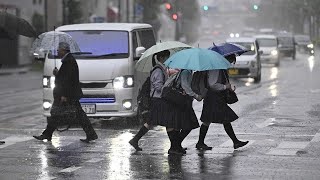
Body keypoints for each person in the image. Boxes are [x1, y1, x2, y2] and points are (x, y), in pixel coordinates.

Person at [33, 42, 98, 143]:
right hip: (69, 94)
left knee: (56, 114)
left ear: (64, 50)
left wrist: (65, 95)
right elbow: (65, 78)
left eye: (59, 50)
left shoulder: (69, 61)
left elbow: (68, 80)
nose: (57, 52)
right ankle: (91, 134)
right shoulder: (68, 60)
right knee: (76, 115)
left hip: (67, 95)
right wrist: (57, 74)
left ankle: (47, 135)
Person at [196, 54, 249, 150]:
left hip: (215, 97)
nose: (230, 64)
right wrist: (225, 87)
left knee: (209, 120)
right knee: (224, 118)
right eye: (231, 62)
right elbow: (212, 84)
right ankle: (235, 142)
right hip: (213, 97)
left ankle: (200, 142)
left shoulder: (219, 68)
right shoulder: (216, 68)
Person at [129, 50, 170, 151]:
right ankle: (175, 146)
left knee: (152, 122)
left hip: (157, 100)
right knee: (166, 122)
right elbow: (158, 86)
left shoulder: (161, 69)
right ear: (161, 58)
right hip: (157, 100)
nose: (168, 59)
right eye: (167, 57)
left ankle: (135, 139)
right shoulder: (158, 70)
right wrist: (168, 86)